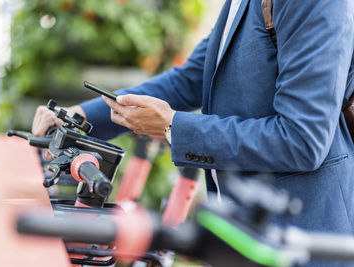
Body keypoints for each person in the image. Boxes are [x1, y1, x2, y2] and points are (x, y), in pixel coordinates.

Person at [33, 0, 354, 265]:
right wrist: (82, 117)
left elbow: (301, 140)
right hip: (244, 238)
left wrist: (173, 126)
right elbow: (192, 77)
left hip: (306, 241)